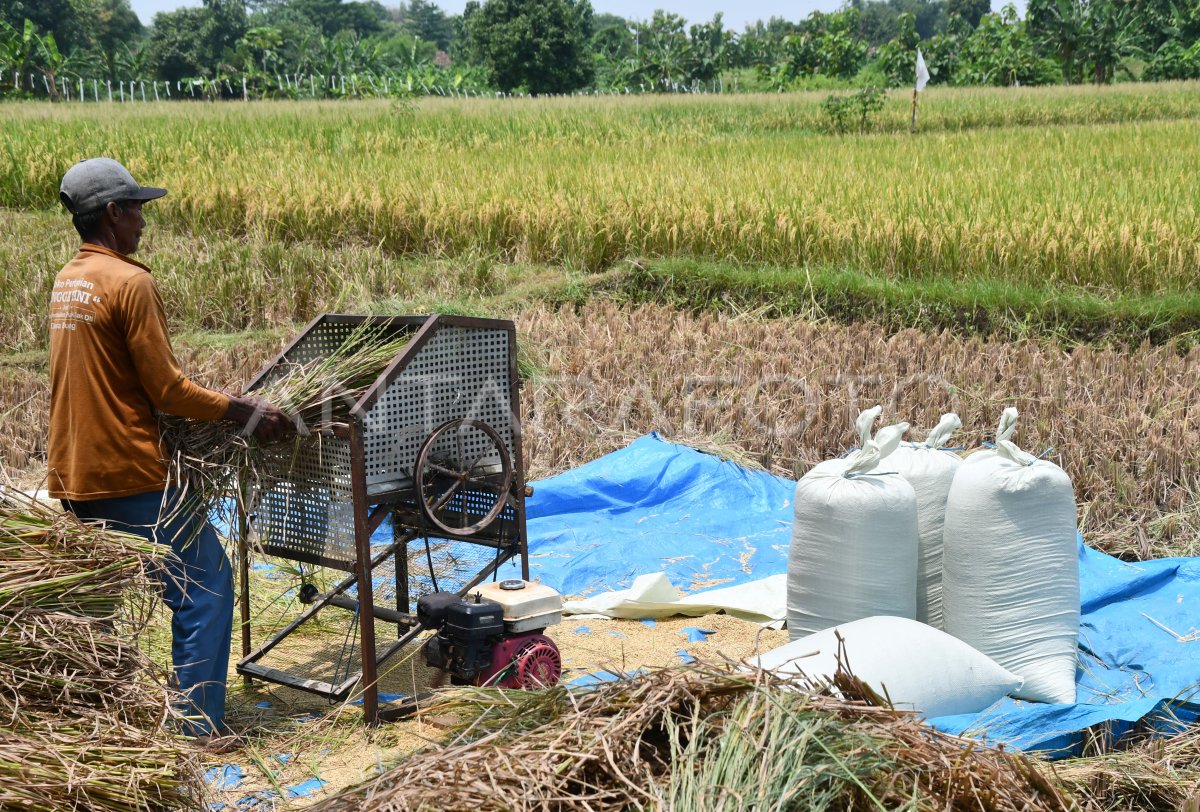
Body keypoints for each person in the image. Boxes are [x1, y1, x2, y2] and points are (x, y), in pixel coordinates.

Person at [49, 157, 292, 751]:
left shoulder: (68, 281)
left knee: (98, 602)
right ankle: (196, 732)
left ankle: (92, 721)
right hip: (130, 472)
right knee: (205, 587)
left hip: (73, 472)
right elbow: (168, 391)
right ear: (111, 214)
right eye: (135, 209)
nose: (141, 222)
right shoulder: (130, 282)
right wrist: (244, 411)